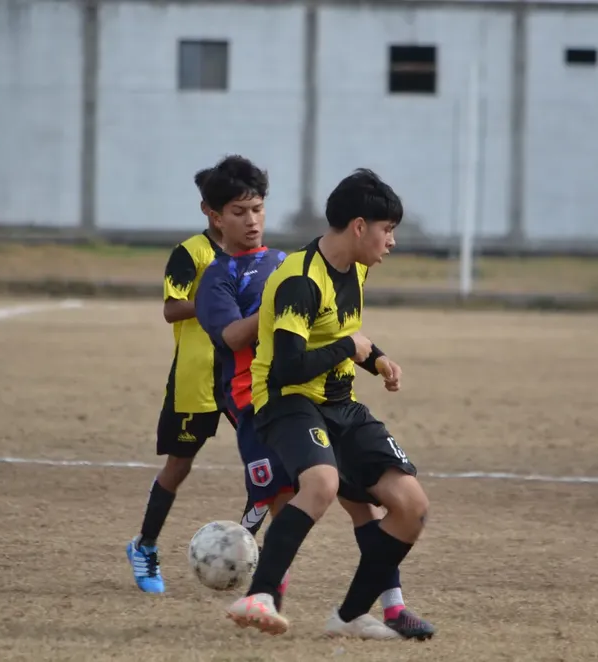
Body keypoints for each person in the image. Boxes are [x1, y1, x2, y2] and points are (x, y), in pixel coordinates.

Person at [195, 158, 434, 640]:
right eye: (387, 230)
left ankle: (348, 617)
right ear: (360, 226)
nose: (392, 241)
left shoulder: (355, 268)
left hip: (340, 402)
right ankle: (261, 595)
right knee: (321, 482)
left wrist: (376, 358)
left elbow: (341, 330)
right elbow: (287, 366)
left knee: (411, 506)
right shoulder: (299, 280)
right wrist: (351, 348)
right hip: (285, 400)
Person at [125, 168, 243, 594]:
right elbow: (172, 308)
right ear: (212, 214)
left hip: (244, 374)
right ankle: (145, 545)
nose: (248, 219)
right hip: (196, 377)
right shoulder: (190, 253)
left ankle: (265, 564)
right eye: (237, 209)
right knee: (180, 465)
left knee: (268, 463)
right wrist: (214, 303)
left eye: (254, 208)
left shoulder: (254, 256)